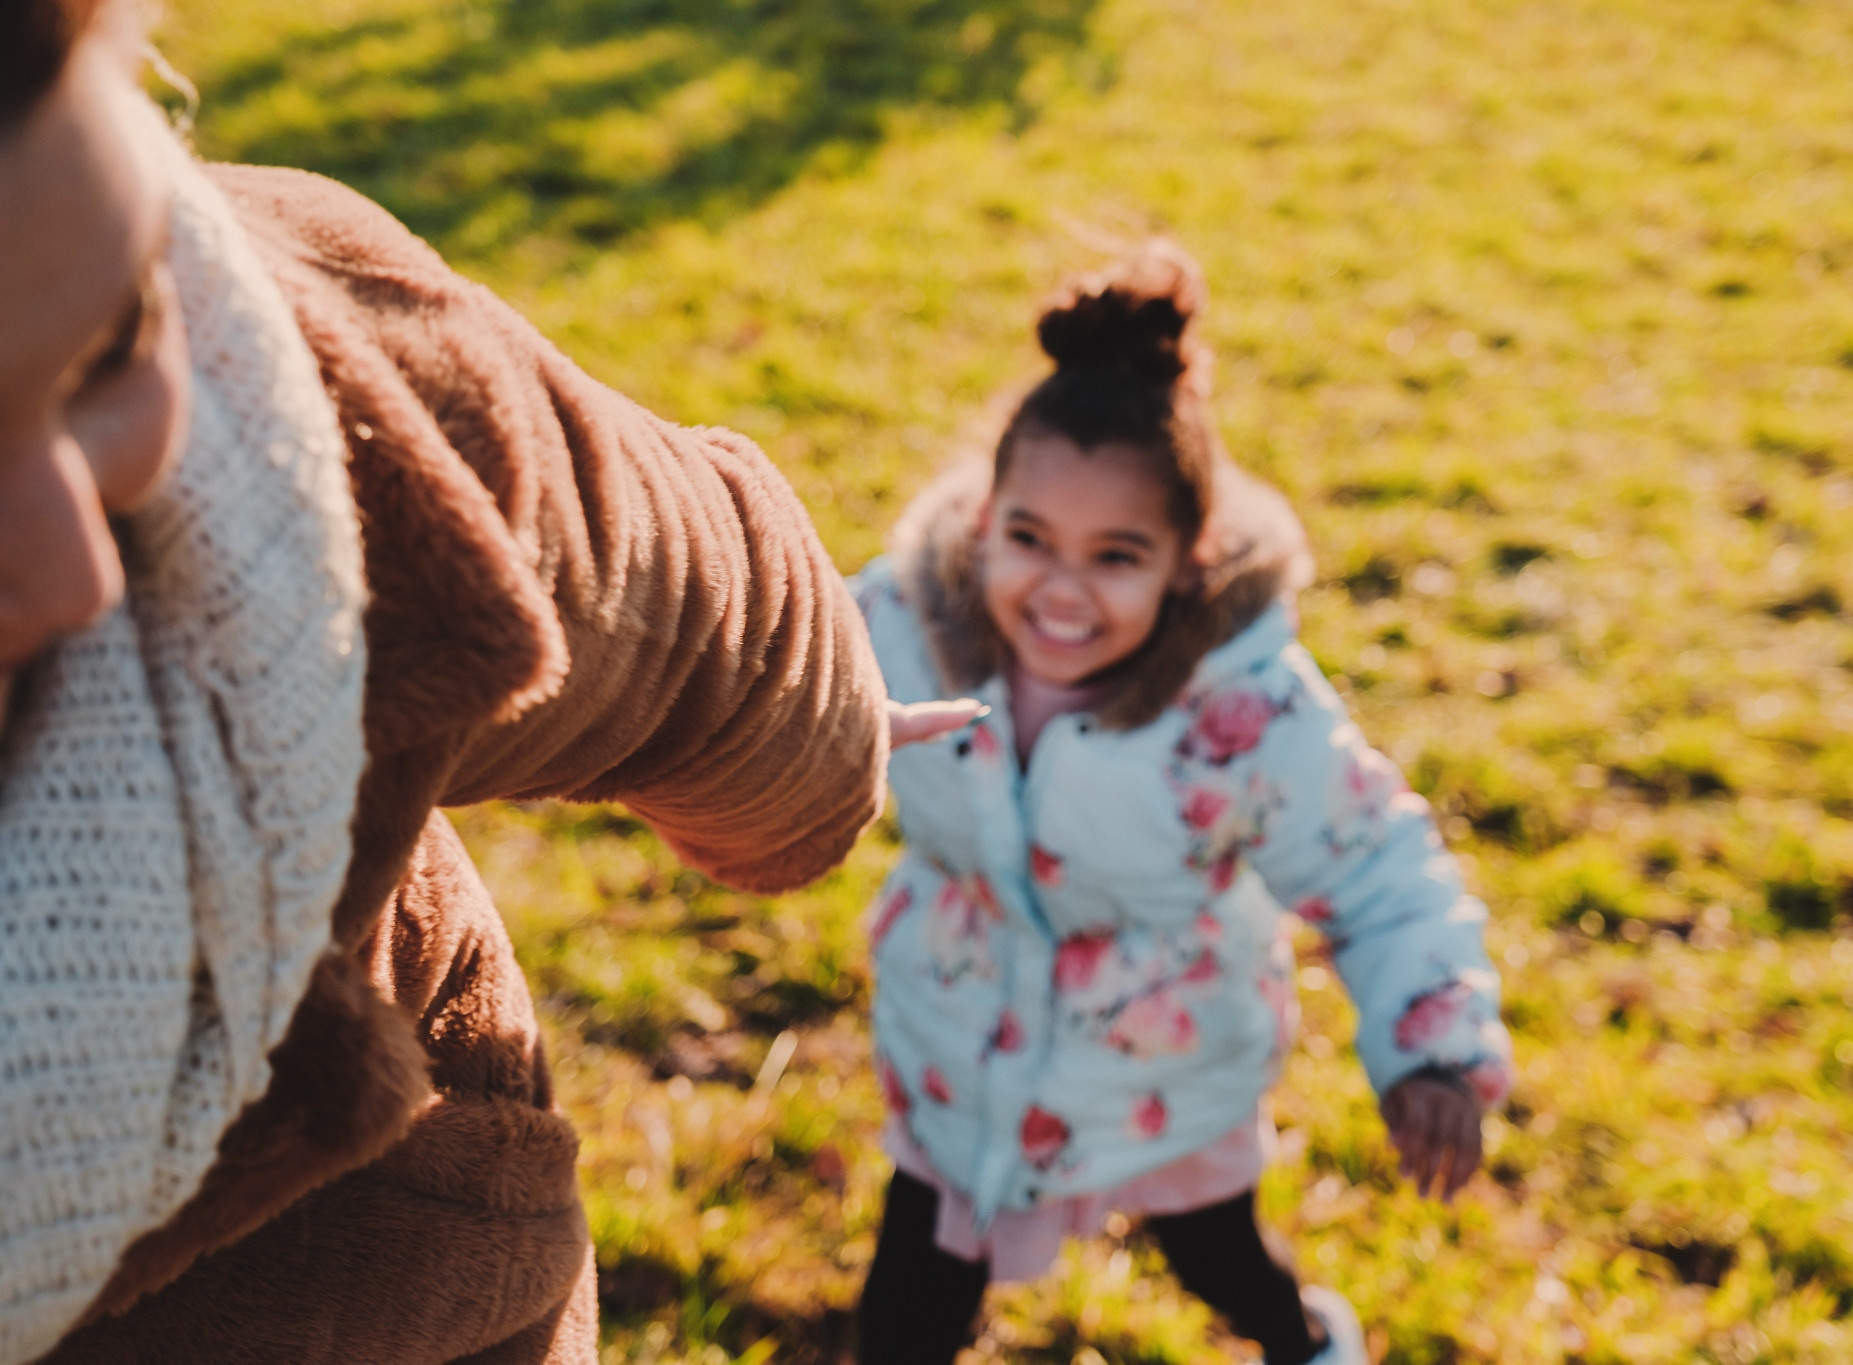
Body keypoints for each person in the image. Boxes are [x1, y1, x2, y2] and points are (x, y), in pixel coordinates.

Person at [0, 4, 967, 1361]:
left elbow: (687, 600)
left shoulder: (330, 422)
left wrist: (827, 751)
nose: (68, 567)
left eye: (109, 355)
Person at [849, 242, 1515, 1365]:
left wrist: (1433, 1051)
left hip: (1164, 1065)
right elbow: (760, 698)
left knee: (1220, 1259)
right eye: (1027, 540)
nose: (1059, 590)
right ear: (983, 526)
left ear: (1186, 564)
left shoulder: (1239, 716)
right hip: (958, 1042)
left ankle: (1302, 1341)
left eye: (1115, 557)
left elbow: (1375, 866)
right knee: (906, 1310)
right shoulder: (900, 633)